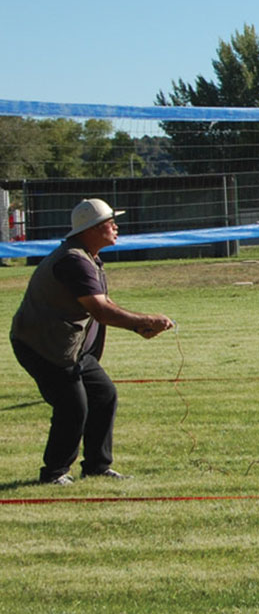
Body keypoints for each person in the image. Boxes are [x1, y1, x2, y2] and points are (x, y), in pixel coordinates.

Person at [9, 199, 173, 485]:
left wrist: (137, 328)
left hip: (69, 347)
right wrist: (145, 320)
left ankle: (97, 466)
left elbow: (101, 304)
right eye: (111, 222)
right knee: (73, 406)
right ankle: (55, 472)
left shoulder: (87, 257)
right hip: (43, 346)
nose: (116, 227)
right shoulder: (74, 261)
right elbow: (100, 310)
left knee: (103, 394)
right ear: (94, 228)